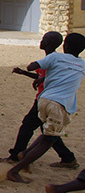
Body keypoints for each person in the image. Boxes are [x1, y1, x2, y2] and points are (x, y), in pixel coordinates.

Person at [7, 33, 85, 183]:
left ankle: (23, 154)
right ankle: (15, 170)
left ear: (64, 46)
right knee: (48, 139)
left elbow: (32, 66)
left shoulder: (55, 58)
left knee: (45, 132)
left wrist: (40, 75)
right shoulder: (81, 64)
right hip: (59, 103)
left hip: (44, 100)